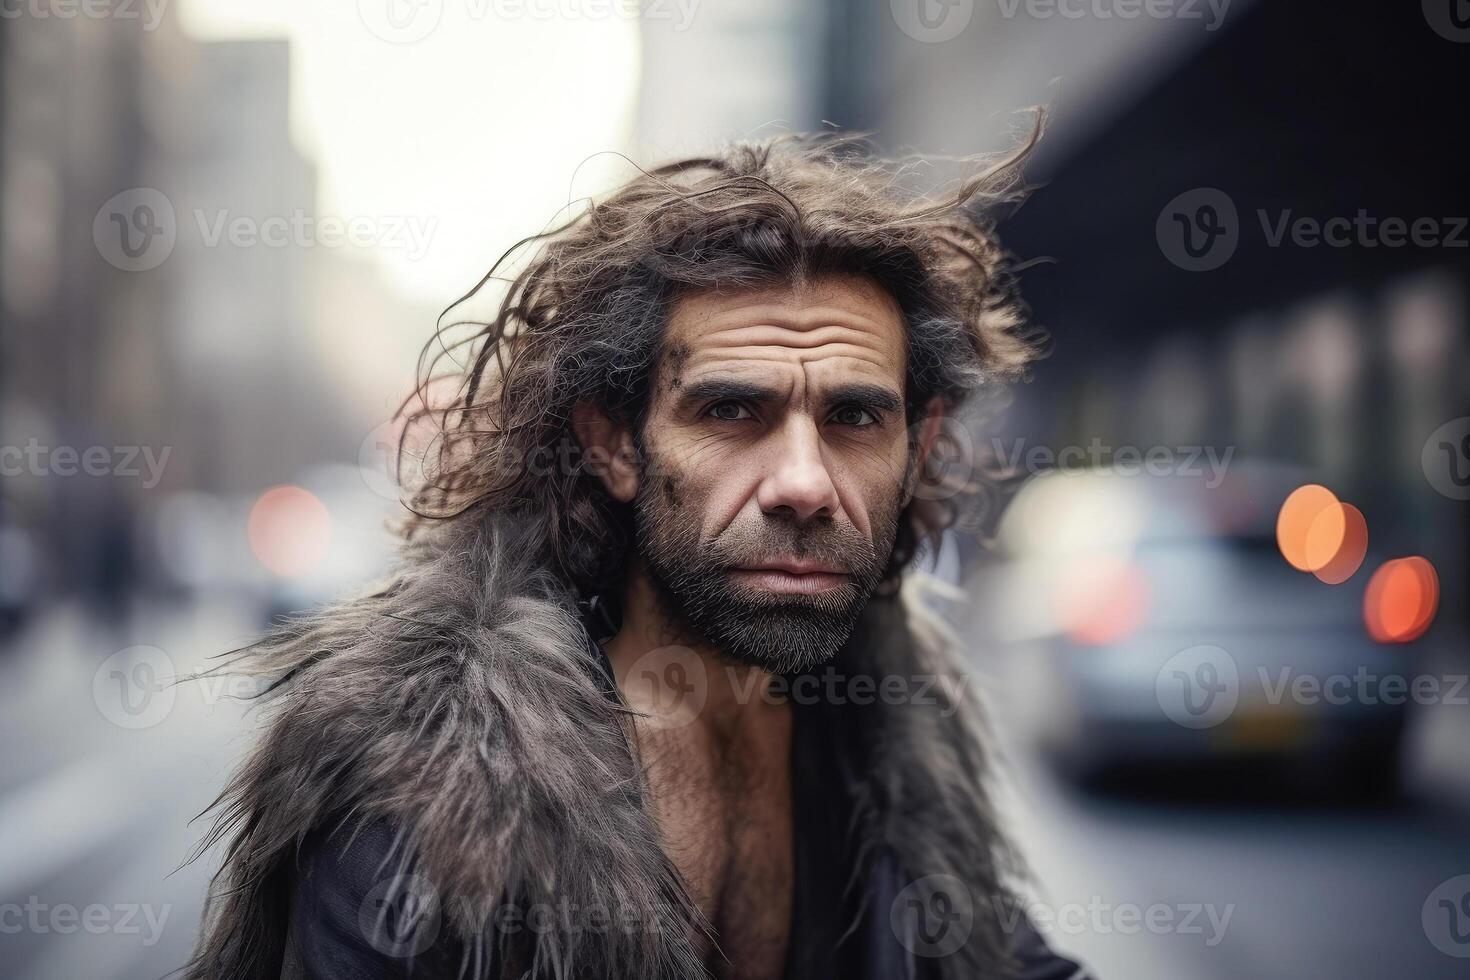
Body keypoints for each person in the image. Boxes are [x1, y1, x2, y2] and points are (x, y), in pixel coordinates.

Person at [187, 129, 1092, 979]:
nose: (806, 483)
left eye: (856, 417)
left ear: (919, 444)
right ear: (616, 445)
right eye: (732, 411)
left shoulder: (895, 732)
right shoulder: (426, 786)